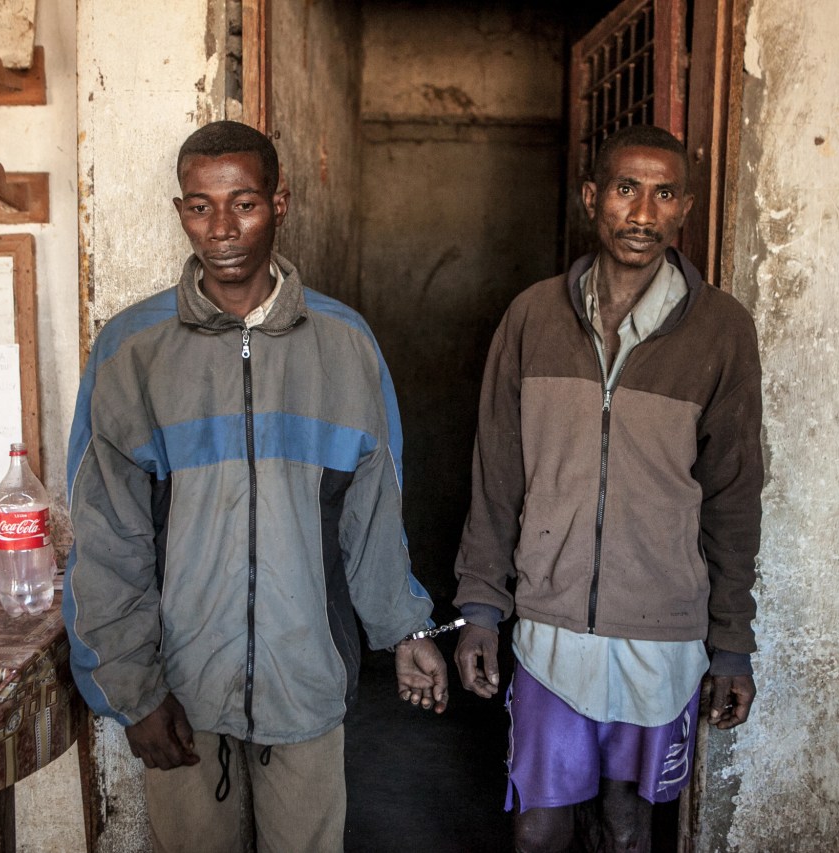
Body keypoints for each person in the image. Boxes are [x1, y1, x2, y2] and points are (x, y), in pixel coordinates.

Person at [65, 120, 449, 853]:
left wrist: (404, 628)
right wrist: (133, 691)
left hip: (306, 675)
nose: (221, 228)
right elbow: (105, 537)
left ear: (281, 202)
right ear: (180, 211)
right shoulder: (132, 351)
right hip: (179, 686)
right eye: (200, 206)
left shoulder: (345, 345)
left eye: (243, 202)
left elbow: (373, 514)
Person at [453, 124, 762, 853]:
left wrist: (732, 646)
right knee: (538, 823)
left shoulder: (721, 331)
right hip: (550, 624)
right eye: (627, 188)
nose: (643, 213)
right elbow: (496, 475)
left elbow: (733, 496)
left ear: (685, 207)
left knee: (628, 825)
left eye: (663, 194)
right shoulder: (532, 316)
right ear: (593, 198)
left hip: (663, 630)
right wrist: (479, 608)